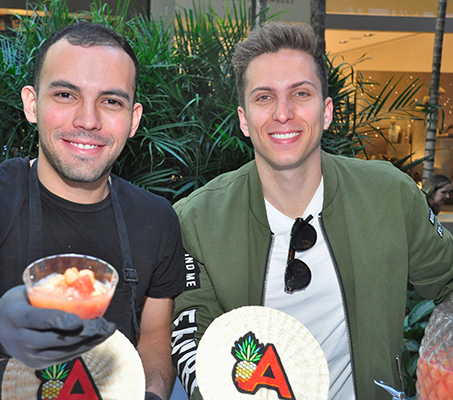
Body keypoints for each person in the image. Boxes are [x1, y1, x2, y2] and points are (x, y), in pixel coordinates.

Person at [170, 21, 453, 400]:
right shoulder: (198, 219)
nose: (283, 113)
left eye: (300, 93)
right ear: (243, 120)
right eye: (264, 97)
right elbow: (193, 343)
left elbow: (448, 281)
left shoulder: (390, 194)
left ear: (327, 111)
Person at [0, 23, 184, 400]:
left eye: (111, 101)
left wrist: (153, 395)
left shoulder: (157, 219)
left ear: (133, 119)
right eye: (65, 94)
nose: (87, 120)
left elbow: (155, 338)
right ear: (32, 104)